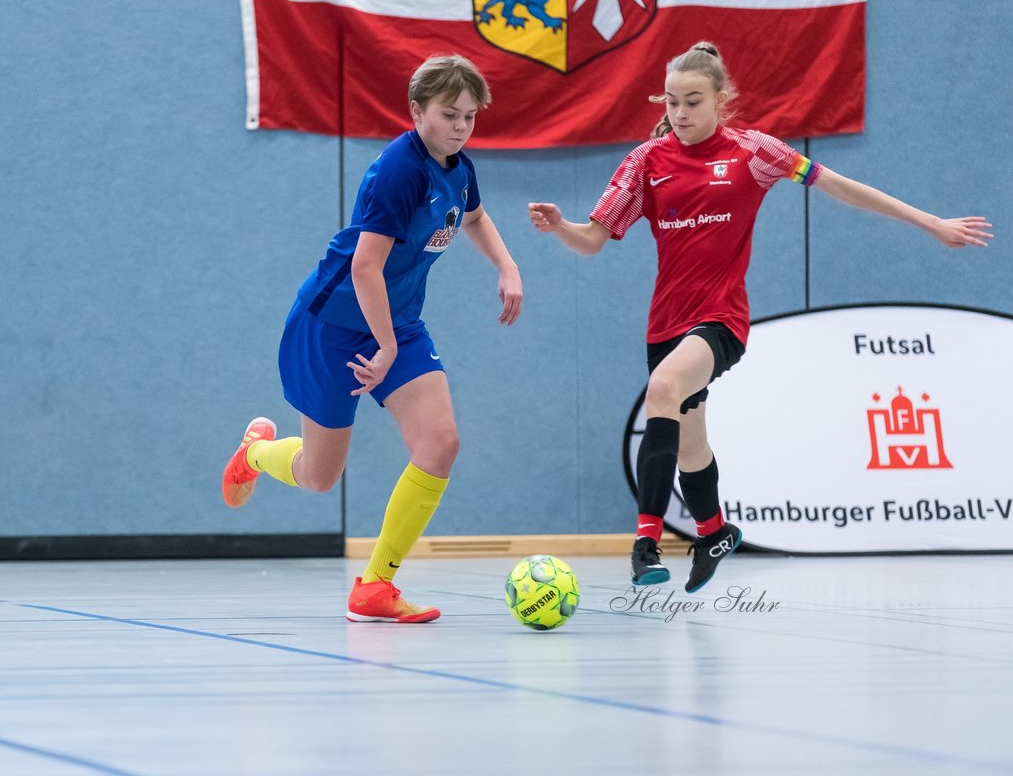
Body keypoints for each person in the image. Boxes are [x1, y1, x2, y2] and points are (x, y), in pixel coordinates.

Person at [529, 41, 991, 593]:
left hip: (721, 318)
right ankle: (715, 530)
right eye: (672, 103)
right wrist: (561, 227)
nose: (680, 114)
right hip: (665, 324)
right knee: (691, 440)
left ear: (721, 100)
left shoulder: (756, 152)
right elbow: (594, 240)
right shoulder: (645, 163)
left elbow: (842, 186)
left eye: (693, 102)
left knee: (664, 387)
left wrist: (930, 222)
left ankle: (645, 545)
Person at [222, 54, 523, 622]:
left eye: (470, 117)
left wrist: (507, 268)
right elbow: (365, 268)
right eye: (449, 114)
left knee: (441, 443)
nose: (461, 126)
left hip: (398, 323)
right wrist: (381, 347)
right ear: (416, 111)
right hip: (333, 326)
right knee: (318, 476)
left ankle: (375, 586)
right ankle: (256, 454)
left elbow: (476, 217)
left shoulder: (458, 166)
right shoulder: (399, 170)